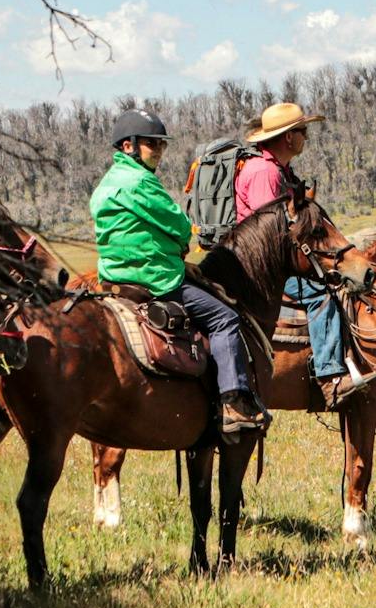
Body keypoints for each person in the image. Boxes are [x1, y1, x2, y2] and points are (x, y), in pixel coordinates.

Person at [90, 108, 271, 437]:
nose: (158, 151)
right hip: (155, 279)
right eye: (151, 144)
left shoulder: (106, 184)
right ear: (128, 146)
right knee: (224, 319)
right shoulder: (140, 182)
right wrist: (180, 243)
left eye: (161, 145)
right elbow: (177, 224)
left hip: (115, 279)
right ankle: (233, 403)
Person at [236, 101, 376, 410]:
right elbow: (271, 234)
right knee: (321, 297)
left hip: (277, 262)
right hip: (262, 268)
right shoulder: (264, 172)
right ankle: (330, 379)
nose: (306, 137)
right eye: (303, 131)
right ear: (288, 137)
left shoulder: (280, 169)